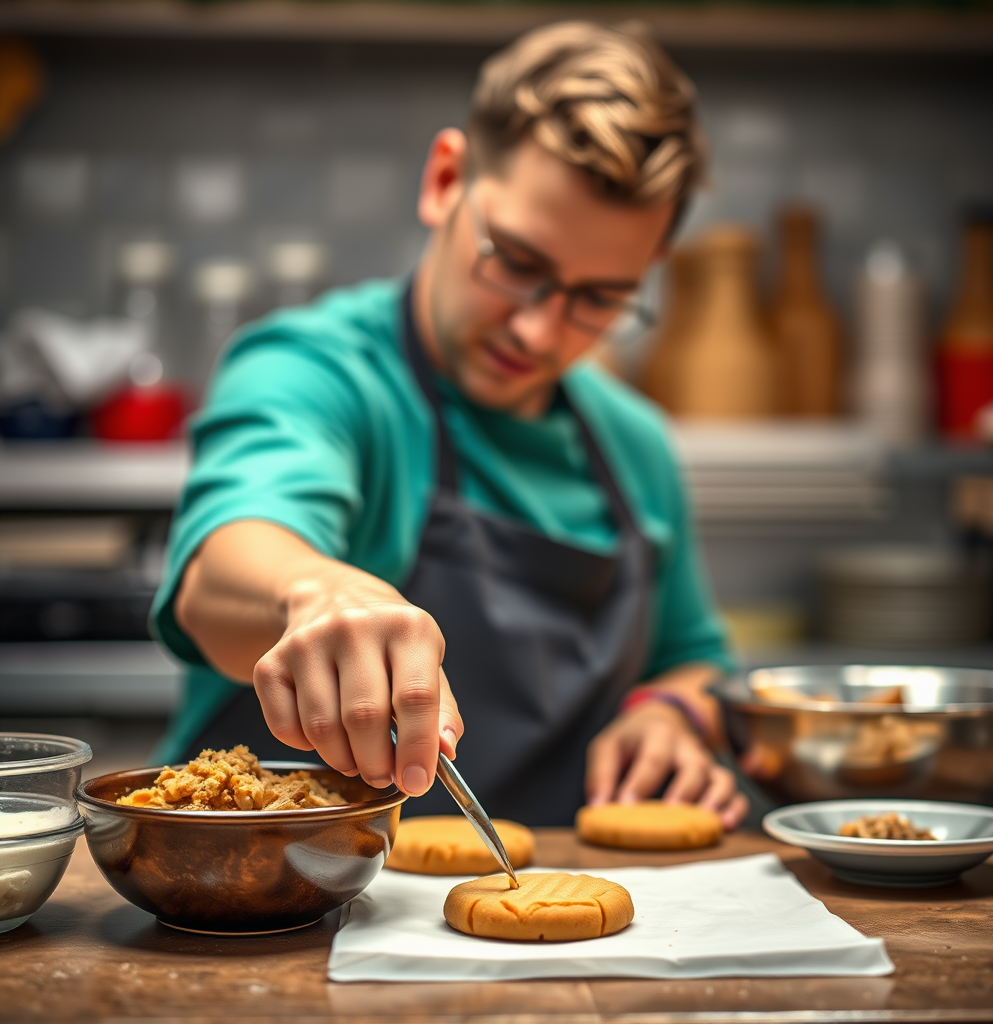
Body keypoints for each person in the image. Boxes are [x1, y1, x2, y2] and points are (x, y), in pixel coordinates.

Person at [151, 21, 748, 829]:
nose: (540, 333)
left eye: (601, 298)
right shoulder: (316, 372)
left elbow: (695, 660)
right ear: (445, 180)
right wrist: (315, 591)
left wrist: (669, 714)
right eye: (520, 264)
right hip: (296, 899)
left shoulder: (633, 441)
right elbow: (220, 571)